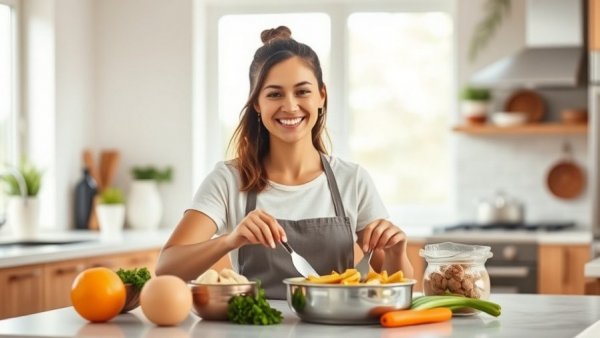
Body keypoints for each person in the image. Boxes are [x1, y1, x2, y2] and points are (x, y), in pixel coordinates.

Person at [155, 26, 414, 299]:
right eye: (275, 94)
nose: (290, 107)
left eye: (302, 92)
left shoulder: (352, 180)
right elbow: (166, 268)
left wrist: (397, 251)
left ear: (321, 96)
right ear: (256, 103)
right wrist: (230, 241)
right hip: (255, 329)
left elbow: (397, 289)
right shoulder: (229, 179)